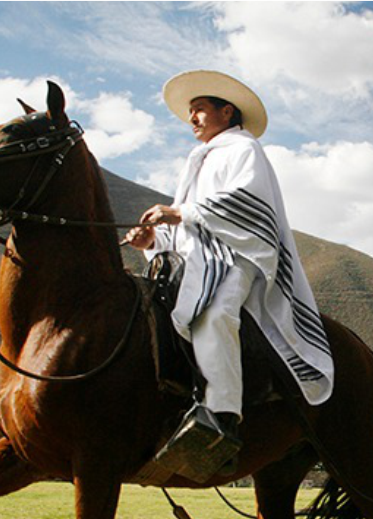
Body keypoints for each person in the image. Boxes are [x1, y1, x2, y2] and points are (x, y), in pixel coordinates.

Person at [125, 70, 333, 466]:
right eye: (191, 112)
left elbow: (248, 205)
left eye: (199, 110)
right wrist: (153, 241)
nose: (192, 119)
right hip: (197, 260)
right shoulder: (198, 160)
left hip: (237, 256)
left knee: (217, 314)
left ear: (227, 111)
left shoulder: (243, 148)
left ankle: (222, 420)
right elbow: (188, 229)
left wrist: (179, 211)